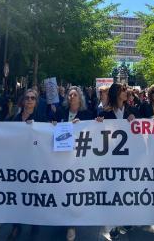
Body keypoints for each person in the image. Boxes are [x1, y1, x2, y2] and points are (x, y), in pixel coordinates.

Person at [97, 83, 139, 240]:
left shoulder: (132, 112)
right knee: (111, 192)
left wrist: (135, 121)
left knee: (125, 191)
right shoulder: (105, 114)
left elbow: (140, 132)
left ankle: (125, 219)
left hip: (128, 160)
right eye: (122, 90)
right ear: (116, 94)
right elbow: (97, 135)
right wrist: (97, 124)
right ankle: (111, 226)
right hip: (110, 161)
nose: (126, 92)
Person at [51, 86, 92, 241]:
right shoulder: (60, 113)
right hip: (61, 157)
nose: (72, 97)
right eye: (69, 95)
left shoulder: (87, 114)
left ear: (80, 98)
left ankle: (71, 225)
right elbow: (49, 126)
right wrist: (53, 124)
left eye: (75, 95)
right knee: (62, 189)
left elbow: (94, 130)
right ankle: (63, 217)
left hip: (79, 159)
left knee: (74, 190)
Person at [7, 89, 48, 240]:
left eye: (33, 98)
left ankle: (34, 224)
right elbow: (1, 131)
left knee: (33, 195)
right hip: (17, 163)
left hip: (34, 163)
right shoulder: (14, 118)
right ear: (23, 101)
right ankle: (16, 226)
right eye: (27, 98)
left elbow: (47, 136)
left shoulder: (41, 118)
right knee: (17, 195)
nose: (30, 100)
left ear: (36, 102)